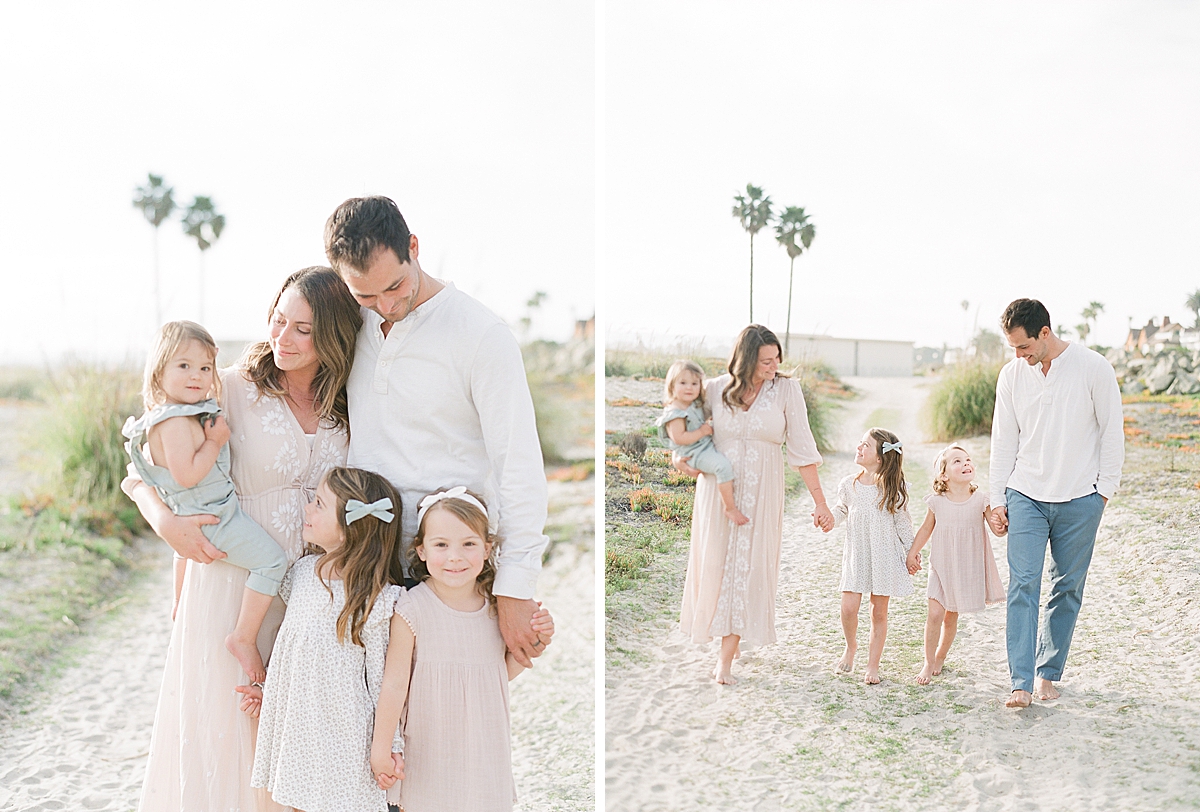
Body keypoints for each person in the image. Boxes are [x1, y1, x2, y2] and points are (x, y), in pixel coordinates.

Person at [124, 267, 362, 812]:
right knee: (229, 725)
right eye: (278, 321)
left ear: (333, 335)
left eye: (302, 328)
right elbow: (142, 465)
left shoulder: (347, 400)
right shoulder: (229, 387)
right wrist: (166, 524)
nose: (282, 338)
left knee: (298, 740)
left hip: (314, 593)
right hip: (232, 581)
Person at [323, 196, 548, 667]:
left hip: (450, 568)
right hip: (364, 562)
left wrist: (515, 586)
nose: (385, 306)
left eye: (395, 286)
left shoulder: (482, 334)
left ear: (414, 246)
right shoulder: (348, 321)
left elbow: (519, 465)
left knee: (451, 717)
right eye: (366, 295)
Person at [123, 320, 288, 684]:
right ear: (159, 369)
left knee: (182, 554)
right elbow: (187, 475)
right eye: (183, 366)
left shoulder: (174, 414)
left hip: (194, 512)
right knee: (273, 562)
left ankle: (181, 603)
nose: (196, 376)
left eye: (205, 367)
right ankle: (243, 637)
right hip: (214, 517)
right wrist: (215, 441)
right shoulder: (175, 423)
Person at [370, 488, 555, 812]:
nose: (455, 556)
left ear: (487, 549)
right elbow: (395, 684)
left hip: (483, 747)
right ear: (421, 550)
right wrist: (381, 748)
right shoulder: (411, 608)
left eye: (468, 544)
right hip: (429, 750)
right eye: (441, 545)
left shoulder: (496, 610)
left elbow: (496, 675)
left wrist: (534, 643)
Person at [676, 324, 834, 685]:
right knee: (716, 563)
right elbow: (685, 430)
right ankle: (724, 640)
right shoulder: (714, 389)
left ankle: (725, 660)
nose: (773, 365)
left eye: (777, 358)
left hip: (763, 491)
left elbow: (802, 449)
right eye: (765, 360)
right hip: (718, 493)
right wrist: (678, 458)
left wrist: (820, 502)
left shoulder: (786, 390)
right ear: (745, 358)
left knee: (747, 567)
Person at [988, 298, 1123, 708]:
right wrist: (997, 498)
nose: (1018, 356)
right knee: (1023, 586)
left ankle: (1048, 673)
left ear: (1044, 333)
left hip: (1081, 498)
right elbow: (1003, 439)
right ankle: (1021, 682)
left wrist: (1103, 493)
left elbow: (1111, 431)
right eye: (1012, 348)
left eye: (1024, 347)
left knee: (1066, 589)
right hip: (1025, 493)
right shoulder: (1012, 375)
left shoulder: (1094, 367)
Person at [251, 468, 405, 812]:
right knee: (293, 802)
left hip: (344, 735)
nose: (307, 508)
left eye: (318, 503)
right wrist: (268, 690)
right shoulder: (303, 573)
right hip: (298, 727)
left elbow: (385, 680)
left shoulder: (377, 600)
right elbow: (292, 645)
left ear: (350, 530)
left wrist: (387, 746)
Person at [906, 444, 1005, 685]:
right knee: (935, 614)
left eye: (968, 460)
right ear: (943, 475)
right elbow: (926, 528)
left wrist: (1001, 526)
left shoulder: (982, 500)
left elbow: (996, 530)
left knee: (950, 618)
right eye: (957, 461)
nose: (966, 464)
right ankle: (928, 662)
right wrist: (912, 553)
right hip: (941, 566)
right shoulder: (937, 502)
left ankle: (941, 655)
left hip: (964, 567)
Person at [832, 428, 914, 685]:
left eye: (865, 445)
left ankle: (872, 665)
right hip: (857, 556)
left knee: (878, 613)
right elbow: (840, 510)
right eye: (860, 443)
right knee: (848, 609)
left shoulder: (893, 488)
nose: (859, 448)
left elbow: (903, 524)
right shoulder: (849, 484)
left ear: (880, 458)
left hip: (884, 556)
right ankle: (851, 646)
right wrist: (827, 519)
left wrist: (912, 552)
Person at [656, 359, 748, 525]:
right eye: (683, 383)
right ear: (672, 386)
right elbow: (679, 438)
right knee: (722, 467)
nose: (689, 387)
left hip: (702, 446)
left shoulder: (693, 405)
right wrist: (701, 431)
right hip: (694, 453)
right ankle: (730, 507)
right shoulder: (675, 412)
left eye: (694, 383)